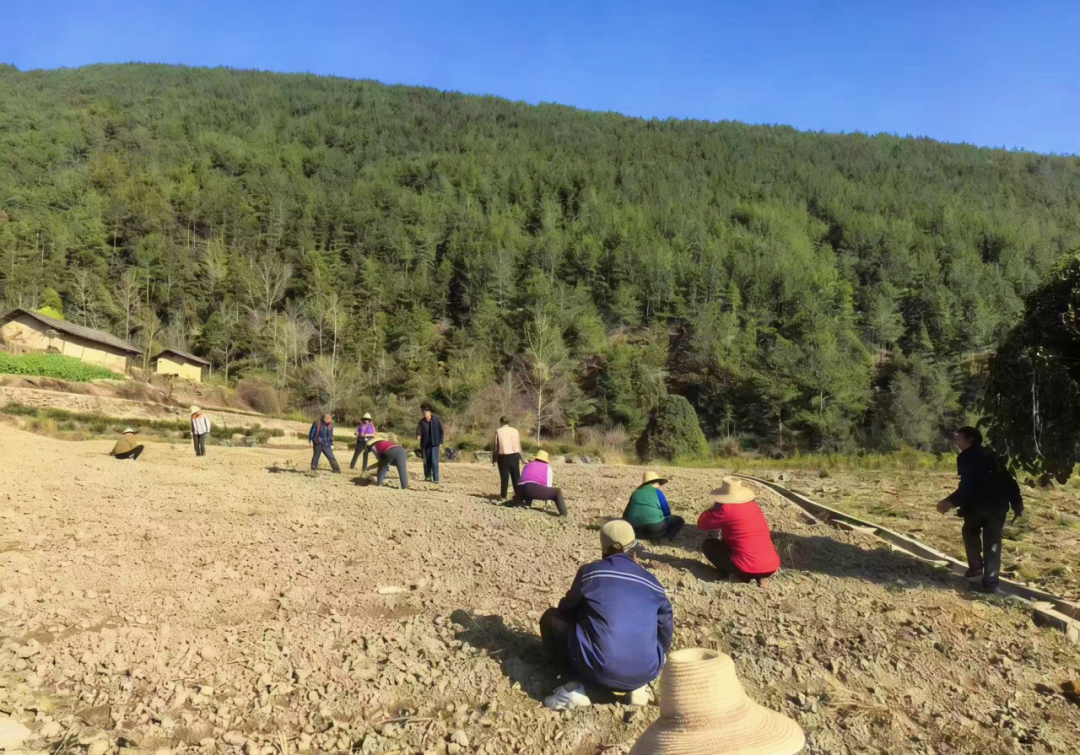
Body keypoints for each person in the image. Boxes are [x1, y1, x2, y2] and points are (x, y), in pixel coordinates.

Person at [540, 520, 673, 710]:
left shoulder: (591, 573)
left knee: (551, 619)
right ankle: (636, 688)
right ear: (634, 549)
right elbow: (665, 636)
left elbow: (566, 610)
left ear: (603, 548)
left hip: (599, 667)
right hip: (645, 672)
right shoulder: (654, 584)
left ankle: (572, 688)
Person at [936, 426, 1023, 593]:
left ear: (970, 439)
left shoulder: (966, 457)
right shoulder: (992, 454)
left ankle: (976, 569)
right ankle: (990, 583)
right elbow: (1009, 480)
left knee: (970, 531)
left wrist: (949, 503)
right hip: (999, 506)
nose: (956, 439)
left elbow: (967, 487)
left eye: (959, 437)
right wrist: (1017, 504)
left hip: (979, 505)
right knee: (993, 543)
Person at [696, 477, 781, 583]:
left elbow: (702, 524)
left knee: (709, 545)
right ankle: (759, 576)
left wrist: (714, 508)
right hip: (771, 566)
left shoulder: (725, 509)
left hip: (746, 568)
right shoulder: (754, 506)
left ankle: (735, 574)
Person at [622, 471, 684, 541]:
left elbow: (625, 514)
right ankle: (665, 537)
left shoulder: (635, 492)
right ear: (655, 482)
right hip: (653, 528)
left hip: (633, 530)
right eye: (659, 483)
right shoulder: (657, 492)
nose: (660, 486)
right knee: (679, 520)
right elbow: (666, 511)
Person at [514, 450, 567, 516]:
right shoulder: (547, 467)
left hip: (519, 490)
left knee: (531, 484)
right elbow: (548, 484)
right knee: (557, 492)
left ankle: (526, 503)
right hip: (532, 489)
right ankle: (564, 515)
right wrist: (548, 500)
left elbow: (525, 479)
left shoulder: (528, 465)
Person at [493, 416, 522, 500]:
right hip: (515, 456)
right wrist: (522, 458)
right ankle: (519, 496)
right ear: (508, 422)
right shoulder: (515, 431)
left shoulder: (498, 431)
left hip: (503, 456)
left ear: (501, 422)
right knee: (516, 477)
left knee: (504, 477)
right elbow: (519, 445)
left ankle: (503, 496)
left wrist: (494, 458)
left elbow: (496, 446)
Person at [416, 405, 444, 483]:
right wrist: (418, 435)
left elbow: (441, 432)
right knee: (426, 461)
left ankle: (436, 478)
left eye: (426, 412)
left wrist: (441, 441)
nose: (425, 414)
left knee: (434, 461)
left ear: (430, 413)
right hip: (425, 445)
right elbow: (418, 431)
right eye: (424, 413)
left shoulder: (436, 420)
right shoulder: (421, 422)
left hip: (435, 444)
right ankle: (427, 476)